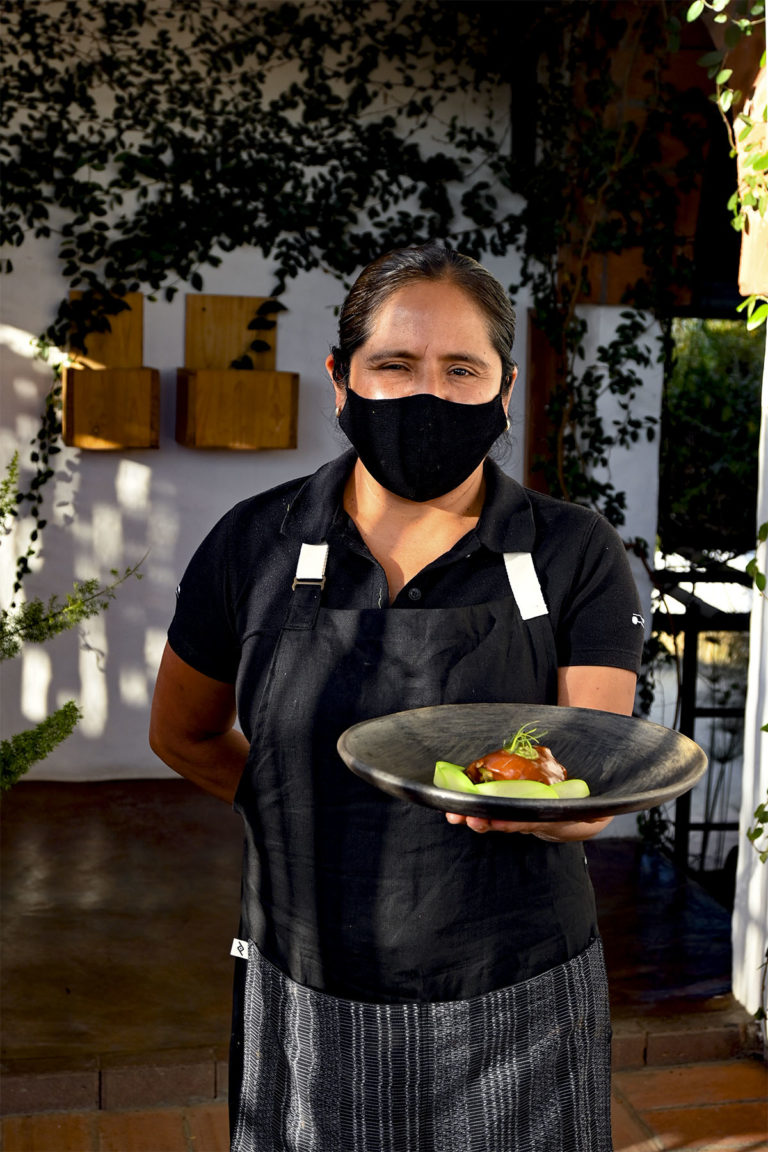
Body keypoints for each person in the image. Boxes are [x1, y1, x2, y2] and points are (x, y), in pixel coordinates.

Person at [149, 241, 644, 1152]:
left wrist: (551, 811)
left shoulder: (574, 552)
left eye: (462, 369)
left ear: (503, 389)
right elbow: (182, 734)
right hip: (307, 971)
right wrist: (297, 806)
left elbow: (590, 776)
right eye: (394, 365)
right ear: (341, 380)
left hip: (519, 984)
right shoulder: (253, 544)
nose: (429, 394)